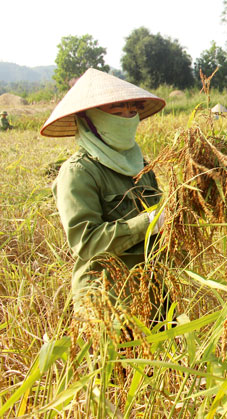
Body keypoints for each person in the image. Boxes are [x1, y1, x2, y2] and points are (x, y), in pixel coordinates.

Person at [40, 68, 167, 318]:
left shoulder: (141, 166)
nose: (126, 120)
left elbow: (164, 217)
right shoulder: (79, 172)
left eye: (132, 113)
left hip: (153, 293)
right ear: (90, 120)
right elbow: (86, 242)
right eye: (117, 114)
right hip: (108, 302)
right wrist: (149, 222)